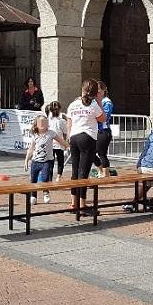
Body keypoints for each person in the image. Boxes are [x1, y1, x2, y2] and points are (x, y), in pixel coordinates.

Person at [66, 79, 107, 213]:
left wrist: (69, 138)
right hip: (87, 137)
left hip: (74, 137)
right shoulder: (93, 105)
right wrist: (99, 101)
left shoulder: (73, 104)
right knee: (84, 172)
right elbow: (103, 118)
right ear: (95, 93)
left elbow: (69, 122)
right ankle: (82, 205)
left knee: (75, 171)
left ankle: (73, 203)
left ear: (82, 90)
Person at [24, 115, 67, 205]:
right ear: (36, 124)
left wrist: (69, 146)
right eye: (41, 122)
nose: (43, 124)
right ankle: (33, 195)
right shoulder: (34, 134)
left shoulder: (51, 133)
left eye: (45, 122)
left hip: (47, 161)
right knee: (33, 179)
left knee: (45, 178)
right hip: (35, 161)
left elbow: (61, 141)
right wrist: (26, 160)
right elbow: (31, 148)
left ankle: (46, 193)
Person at [91, 81, 115, 178]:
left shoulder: (106, 102)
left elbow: (105, 116)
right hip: (95, 130)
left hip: (103, 131)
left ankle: (106, 173)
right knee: (91, 152)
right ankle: (101, 170)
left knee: (101, 153)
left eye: (98, 90)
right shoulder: (93, 101)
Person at [45, 101, 68, 182]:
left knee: (50, 161)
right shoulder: (61, 121)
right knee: (60, 161)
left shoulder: (48, 120)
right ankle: (58, 176)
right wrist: (65, 142)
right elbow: (65, 133)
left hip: (50, 143)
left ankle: (49, 179)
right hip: (59, 143)